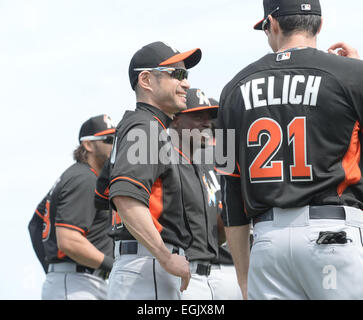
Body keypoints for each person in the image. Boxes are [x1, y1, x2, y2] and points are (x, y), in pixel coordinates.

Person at [217, 0, 363, 300]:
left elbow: (230, 189)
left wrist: (243, 277)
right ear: (320, 25)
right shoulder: (351, 75)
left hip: (268, 243)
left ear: (272, 24)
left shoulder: (233, 88)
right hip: (333, 235)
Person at [106, 41, 201, 300]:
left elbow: (103, 191)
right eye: (177, 74)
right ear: (146, 80)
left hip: (141, 264)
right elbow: (125, 198)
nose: (186, 84)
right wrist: (165, 256)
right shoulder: (145, 126)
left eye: (186, 75)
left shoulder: (145, 126)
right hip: (148, 266)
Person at [28, 114, 116, 300]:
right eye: (109, 139)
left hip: (74, 281)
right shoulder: (84, 179)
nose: (115, 145)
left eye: (117, 139)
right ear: (88, 145)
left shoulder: (76, 176)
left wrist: (53, 269)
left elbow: (35, 224)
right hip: (77, 284)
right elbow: (68, 240)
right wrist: (112, 265)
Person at [170, 88, 242, 300]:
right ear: (174, 120)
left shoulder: (199, 164)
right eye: (197, 116)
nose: (207, 123)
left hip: (211, 271)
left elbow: (216, 232)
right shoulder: (165, 160)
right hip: (182, 270)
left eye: (209, 118)